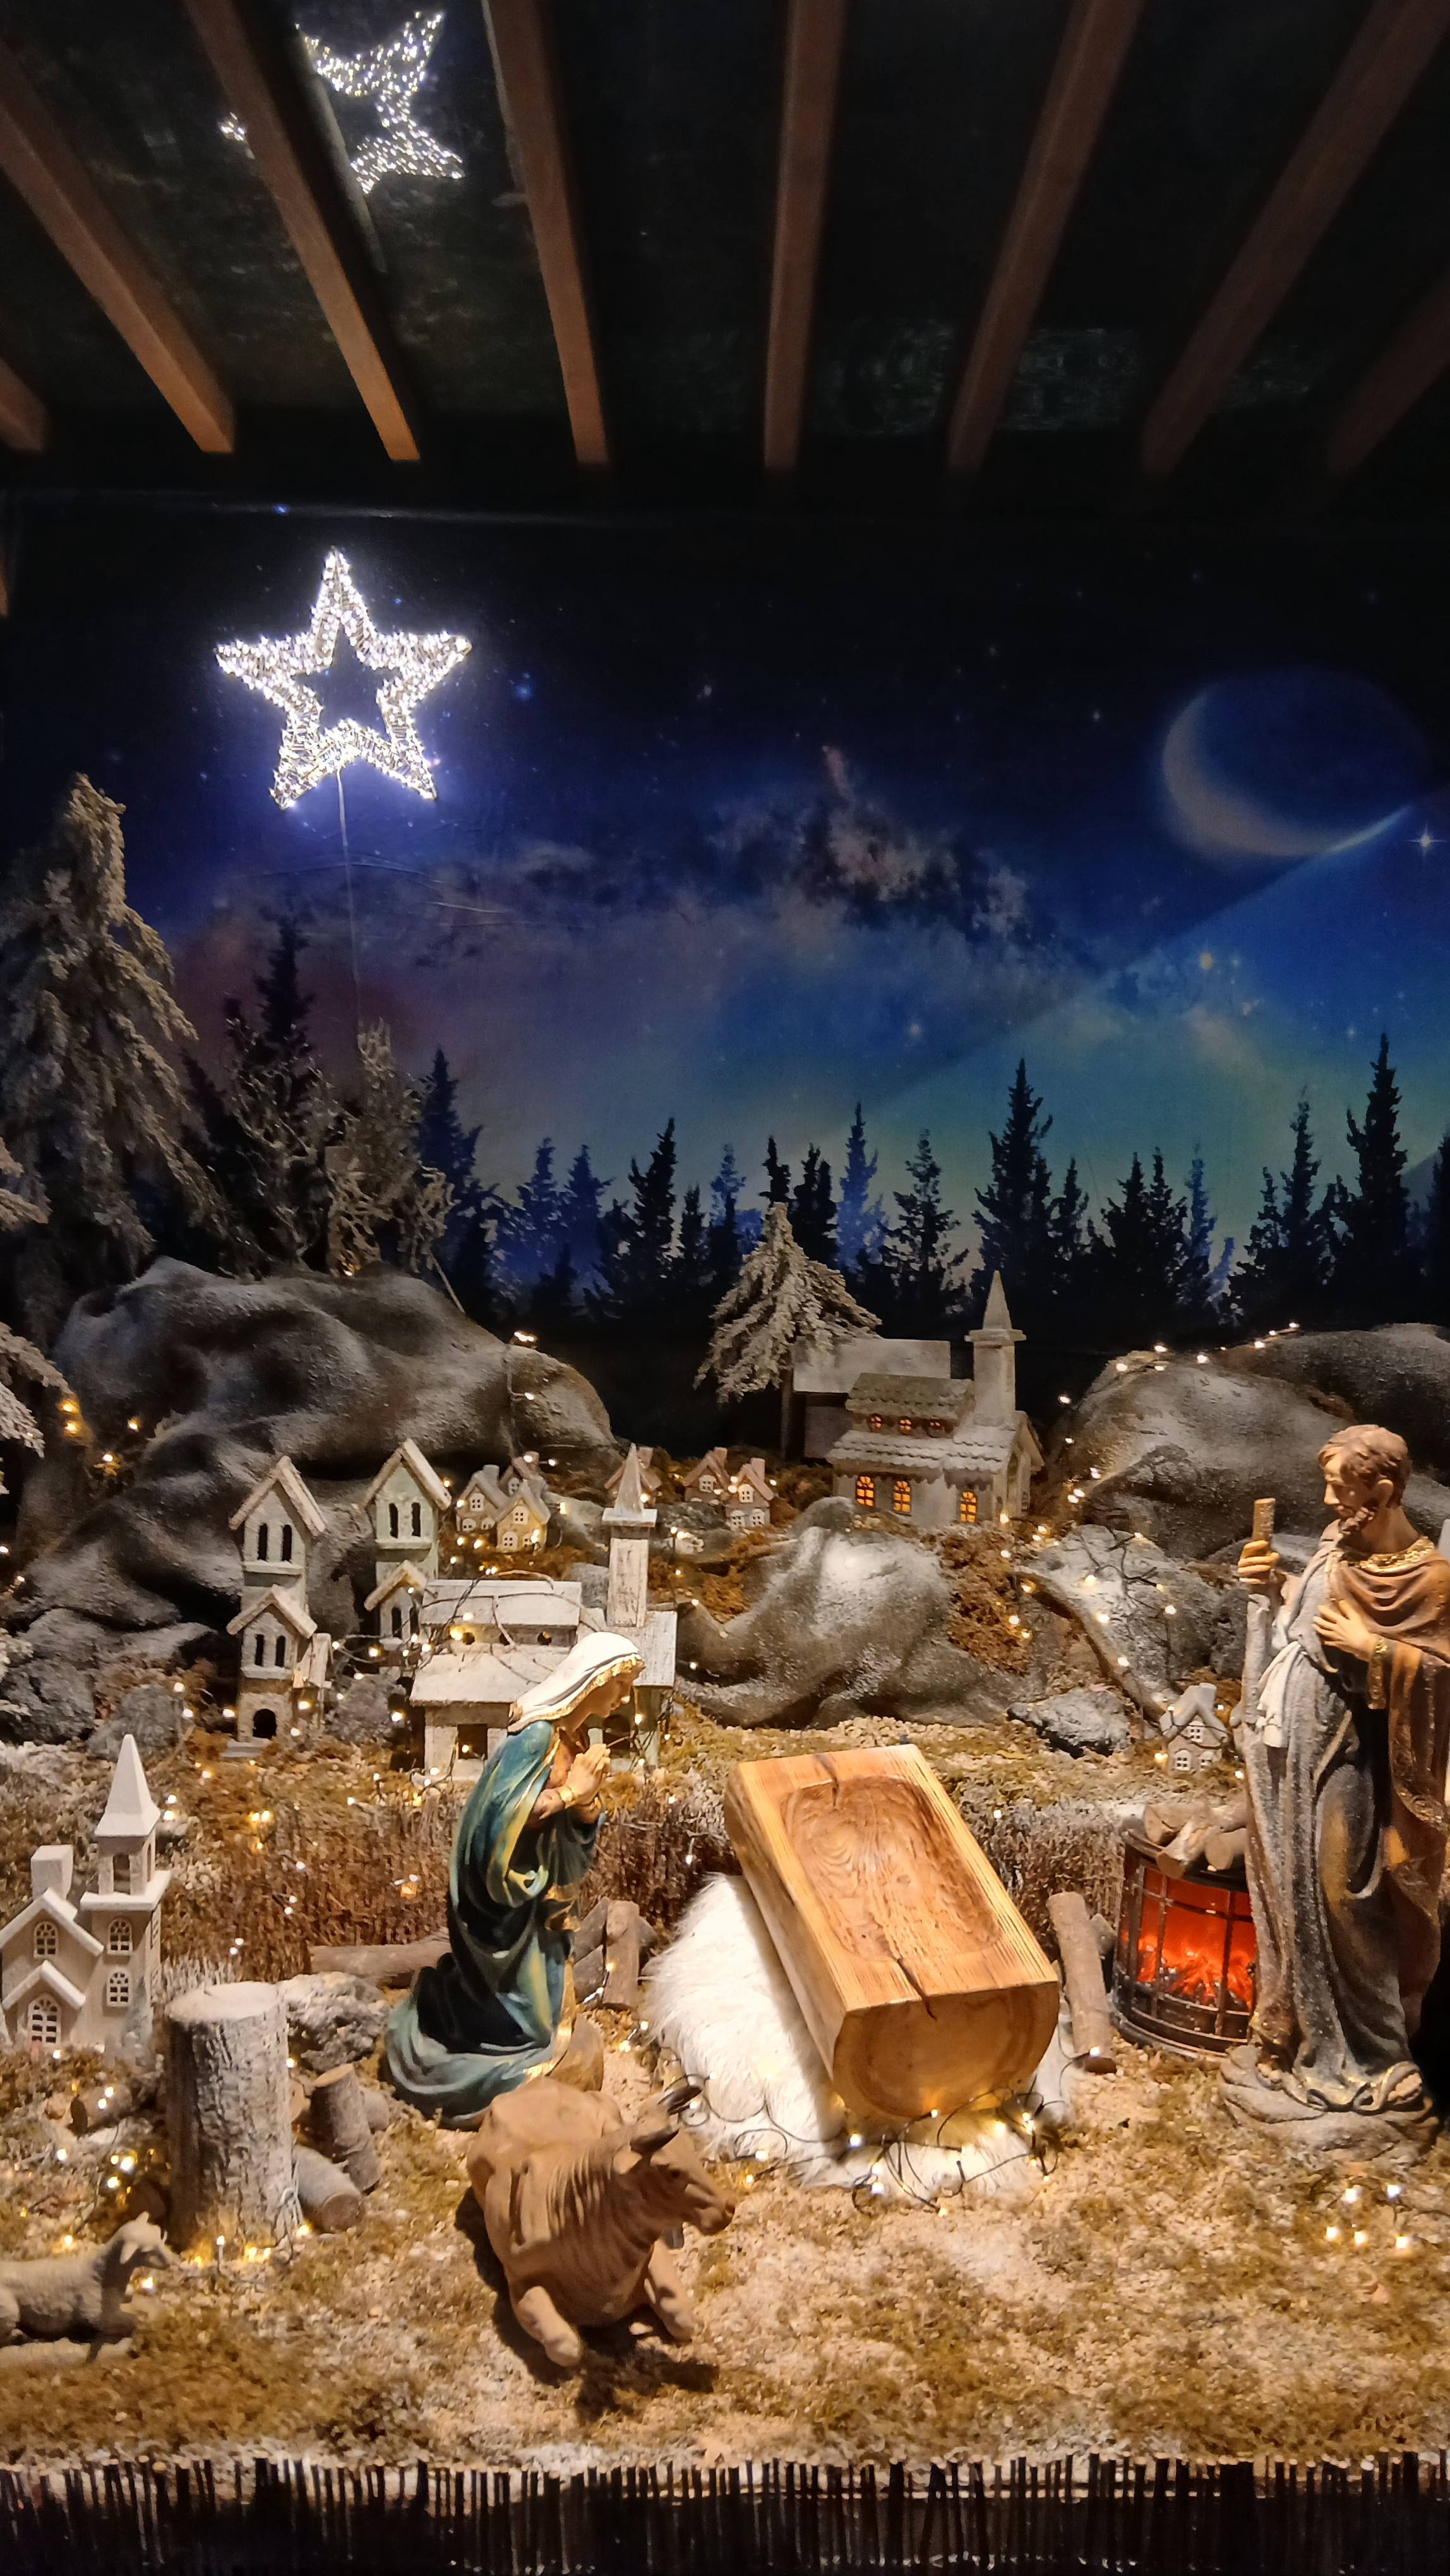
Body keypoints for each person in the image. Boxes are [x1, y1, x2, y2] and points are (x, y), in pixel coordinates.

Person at [1237, 1425, 1450, 2115]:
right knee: (1292, 1881)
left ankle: (1378, 2054)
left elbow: (1442, 1676)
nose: (1329, 1501)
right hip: (1294, 1746)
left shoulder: (1431, 1579)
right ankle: (1302, 2031)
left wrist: (1375, 1649)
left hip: (1354, 1752)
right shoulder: (1337, 1545)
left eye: (1341, 1487)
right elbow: (1306, 1615)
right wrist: (1274, 1585)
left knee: (1344, 1891)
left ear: (1382, 1491)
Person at [383, 1630, 643, 2126]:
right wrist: (573, 1794)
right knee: (529, 2030)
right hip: (501, 1901)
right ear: (594, 1681)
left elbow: (566, 1823)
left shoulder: (571, 1739)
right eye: (621, 1684)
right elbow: (502, 1822)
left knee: (546, 2020)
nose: (626, 1697)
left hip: (538, 1901)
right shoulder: (536, 1739)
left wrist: (586, 1805)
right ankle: (472, 2047)